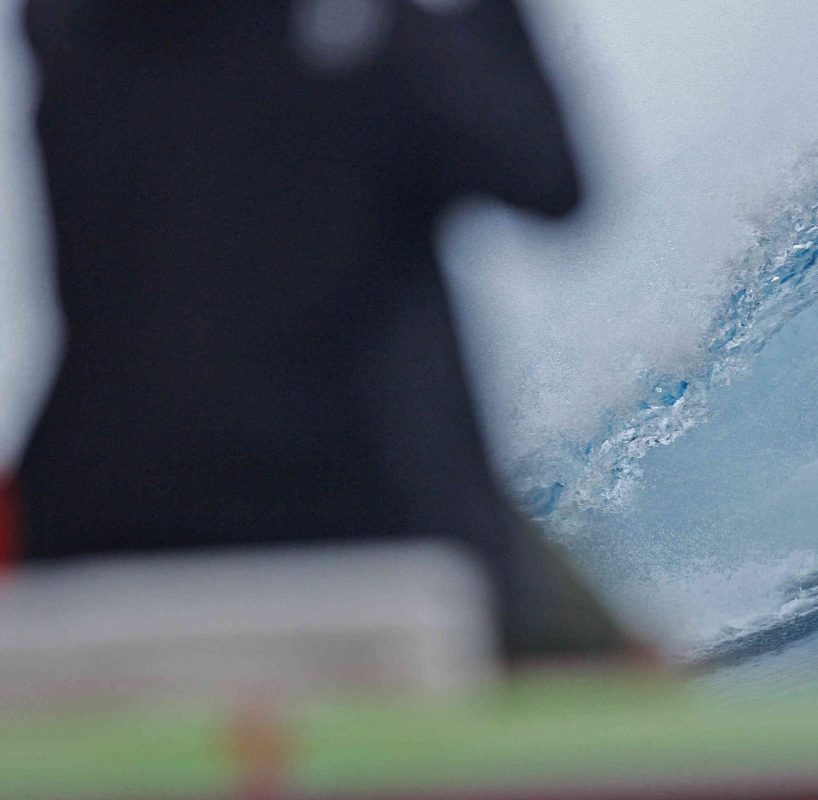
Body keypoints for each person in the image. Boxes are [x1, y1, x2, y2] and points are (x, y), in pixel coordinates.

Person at [16, 0, 633, 660]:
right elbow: (551, 182)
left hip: (107, 522)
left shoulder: (73, 37)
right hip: (365, 513)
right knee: (617, 662)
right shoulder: (372, 46)